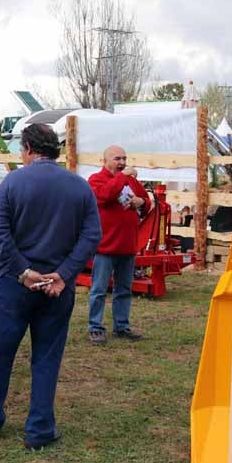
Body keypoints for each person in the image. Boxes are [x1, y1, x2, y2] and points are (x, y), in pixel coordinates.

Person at [0, 123, 101, 450]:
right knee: (46, 357)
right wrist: (64, 274)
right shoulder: (79, 187)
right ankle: (40, 429)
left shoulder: (13, 182)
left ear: (28, 148)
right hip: (57, 288)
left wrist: (22, 271)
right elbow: (91, 235)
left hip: (14, 286)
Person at [86, 145, 150, 344]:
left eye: (124, 158)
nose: (122, 162)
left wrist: (141, 202)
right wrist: (124, 177)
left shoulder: (130, 180)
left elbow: (146, 202)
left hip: (128, 245)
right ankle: (95, 327)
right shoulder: (96, 180)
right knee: (99, 289)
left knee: (124, 289)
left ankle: (121, 326)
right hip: (106, 246)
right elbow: (105, 195)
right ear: (105, 161)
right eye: (117, 159)